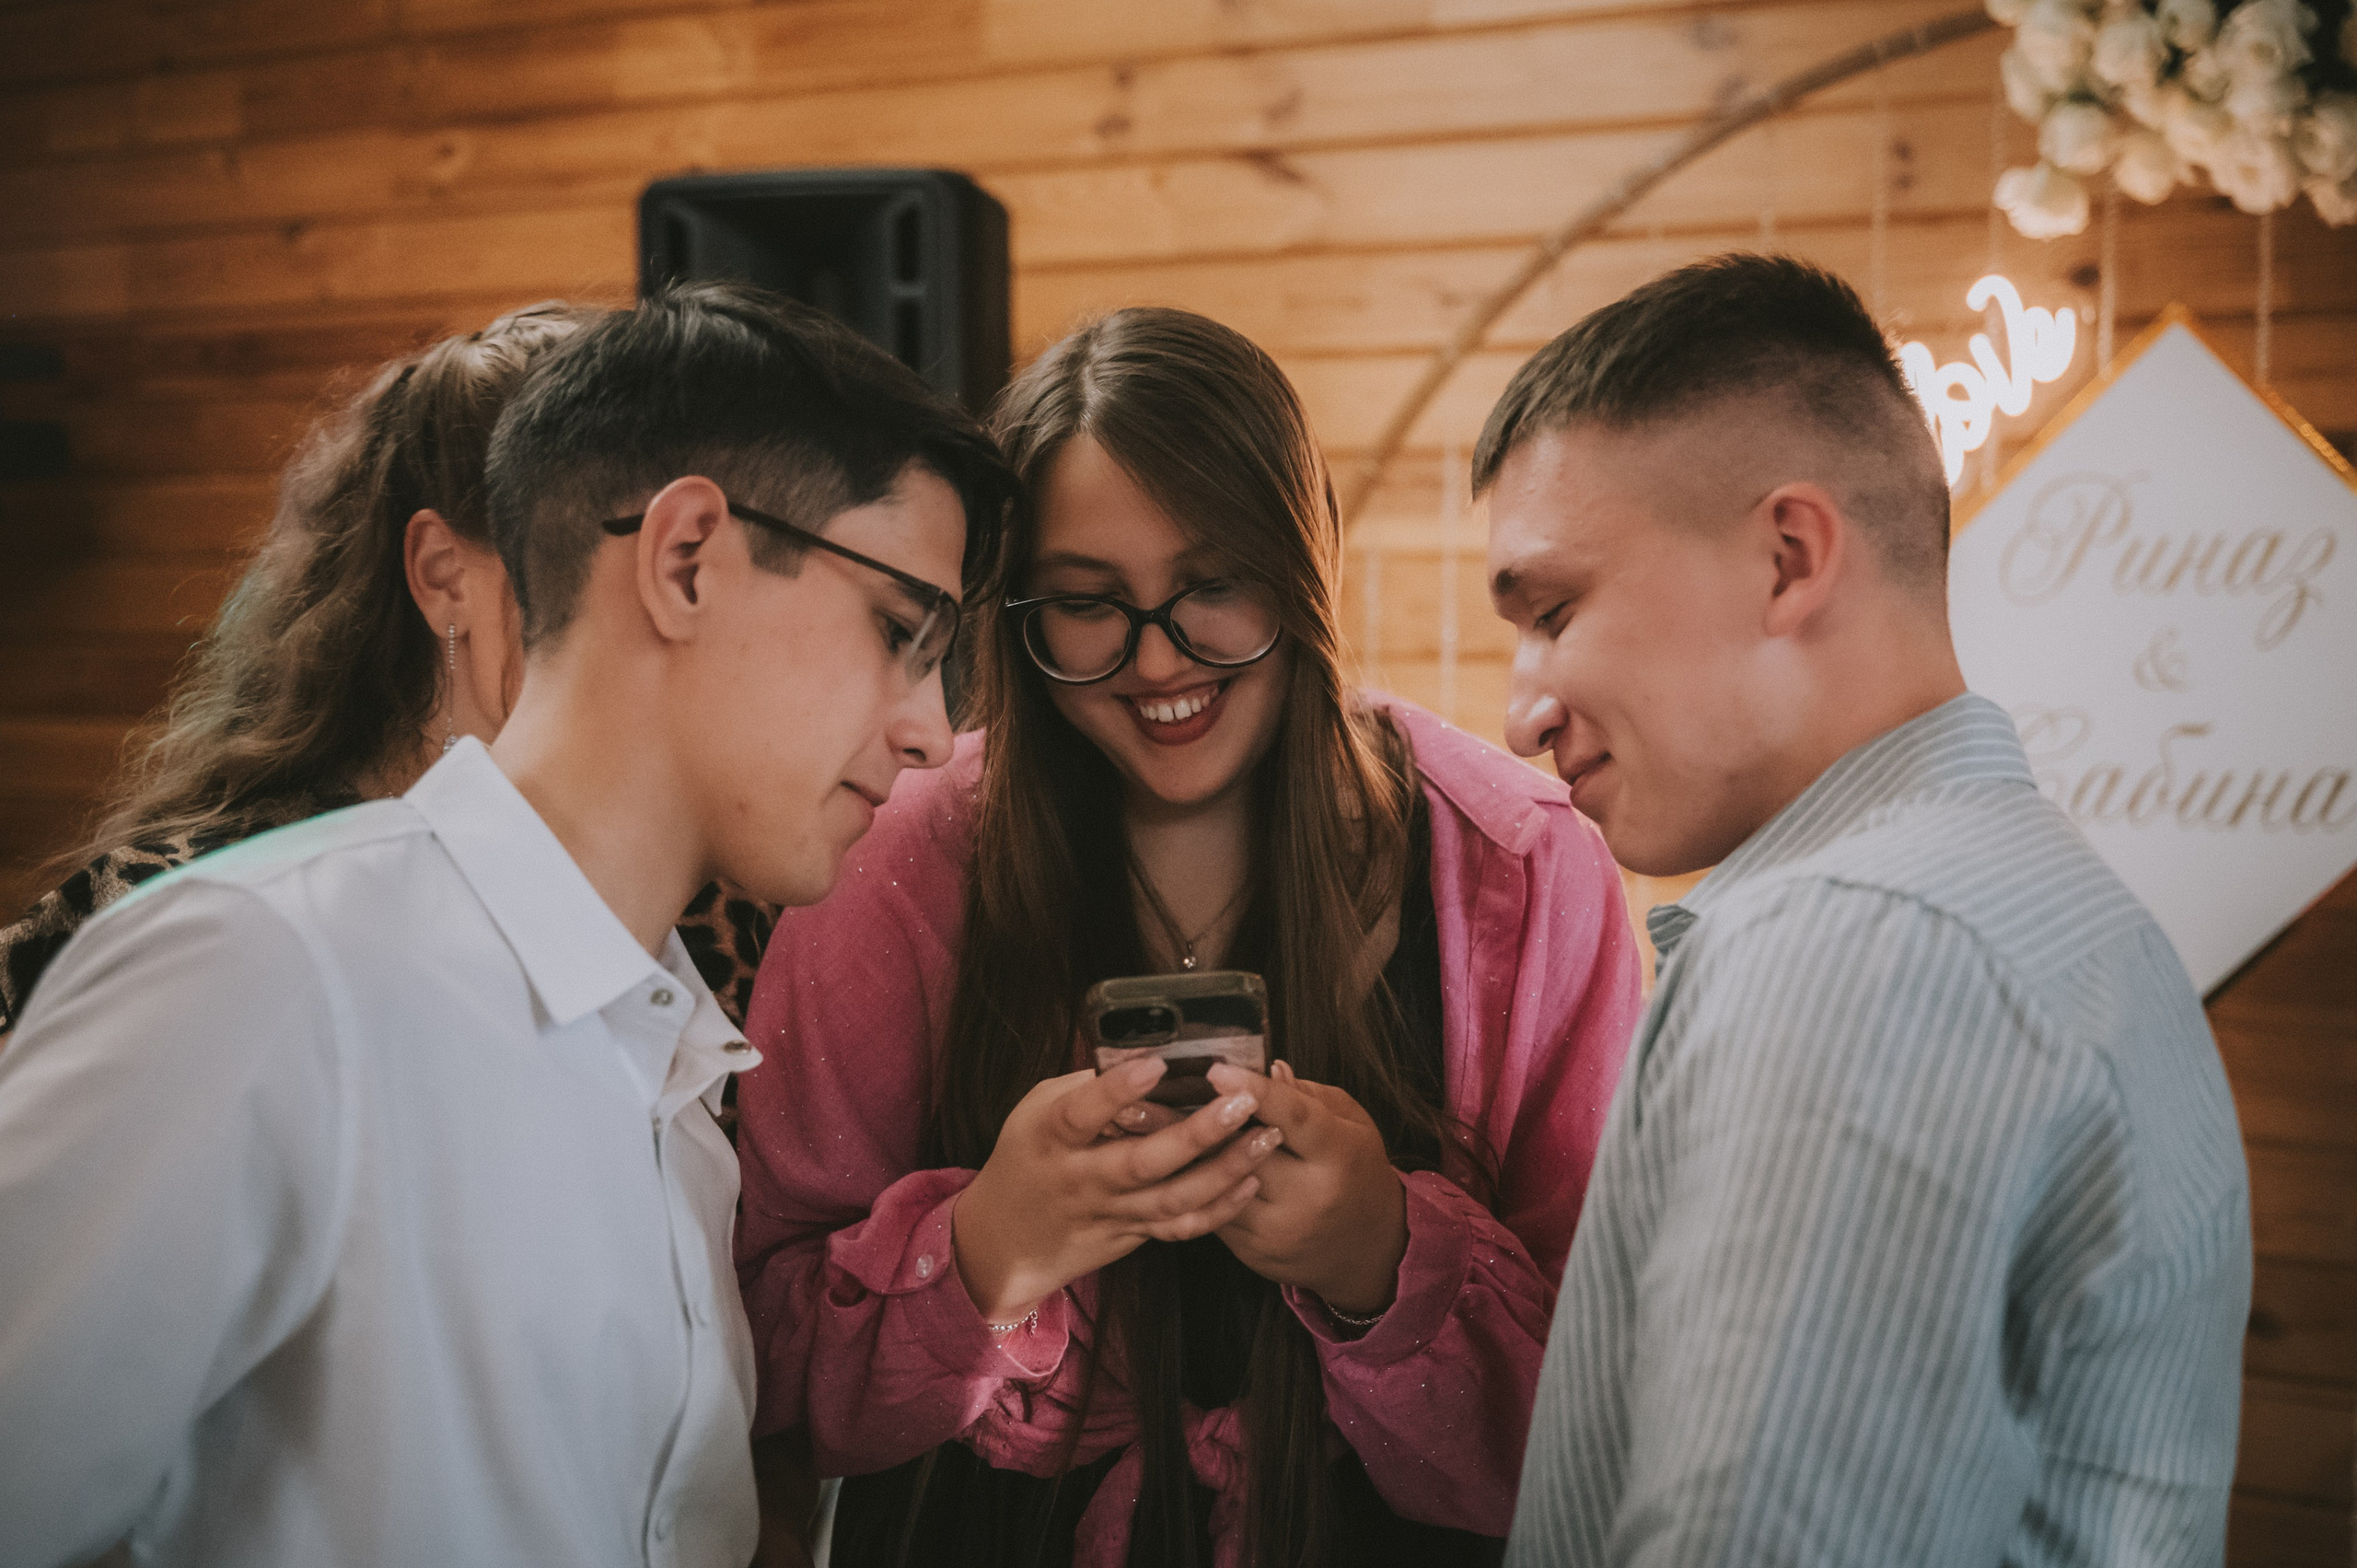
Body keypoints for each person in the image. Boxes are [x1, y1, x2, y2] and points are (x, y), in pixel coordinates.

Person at [0, 282, 1014, 1568]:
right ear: (686, 554)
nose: (932, 725)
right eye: (902, 630)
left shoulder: (678, 1073)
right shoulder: (266, 973)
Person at [733, 306, 1642, 1568]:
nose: (1159, 660)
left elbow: (1614, 1407)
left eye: (1214, 586)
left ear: (1301, 565)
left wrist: (1382, 1253)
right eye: (1088, 604)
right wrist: (991, 1246)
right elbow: (766, 1373)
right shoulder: (898, 860)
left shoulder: (1523, 863)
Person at [1481, 254, 2251, 1566]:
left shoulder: (1860, 946)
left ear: (1788, 557)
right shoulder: (2024, 898)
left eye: (1554, 609)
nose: (1523, 705)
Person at [0, 300, 782, 1047]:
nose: (669, 621)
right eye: (609, 565)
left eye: (692, 573)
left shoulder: (699, 900)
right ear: (446, 576)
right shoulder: (203, 908)